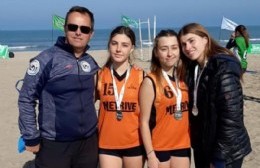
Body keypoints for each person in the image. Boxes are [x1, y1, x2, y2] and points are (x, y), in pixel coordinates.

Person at [18, 6, 99, 168]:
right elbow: (26, 98)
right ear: (65, 29)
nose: (78, 32)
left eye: (84, 29)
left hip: (89, 143)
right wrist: (31, 136)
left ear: (91, 34)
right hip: (55, 144)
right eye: (72, 27)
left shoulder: (91, 63)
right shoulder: (45, 59)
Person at [178, 23, 252, 168]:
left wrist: (219, 158)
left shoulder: (222, 66)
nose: (187, 47)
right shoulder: (194, 67)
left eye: (192, 41)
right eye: (183, 44)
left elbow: (231, 118)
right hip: (204, 145)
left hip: (226, 150)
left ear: (205, 39)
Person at [139, 29, 191, 168]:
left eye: (174, 48)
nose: (169, 54)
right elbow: (143, 122)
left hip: (183, 144)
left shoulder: (185, 78)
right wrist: (150, 154)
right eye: (164, 49)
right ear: (156, 52)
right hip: (159, 147)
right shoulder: (150, 81)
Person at [96, 25, 145, 168]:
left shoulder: (142, 76)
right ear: (109, 45)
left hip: (135, 142)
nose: (118, 49)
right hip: (107, 143)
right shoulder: (99, 75)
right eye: (114, 43)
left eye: (124, 45)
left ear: (132, 48)